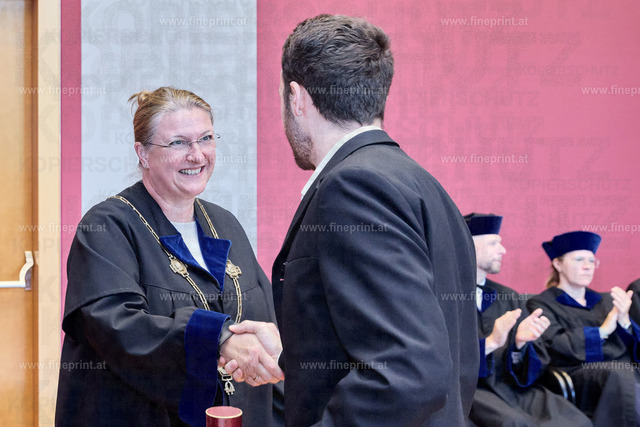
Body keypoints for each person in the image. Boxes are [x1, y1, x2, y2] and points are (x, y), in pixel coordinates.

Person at [265, 14, 478, 426]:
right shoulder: (424, 184)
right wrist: (288, 353)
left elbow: (408, 373)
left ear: (297, 97)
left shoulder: (352, 187)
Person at [55, 87, 284, 427]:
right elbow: (118, 328)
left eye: (206, 138)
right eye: (178, 143)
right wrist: (218, 339)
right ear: (143, 153)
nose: (197, 155)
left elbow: (264, 317)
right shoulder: (107, 227)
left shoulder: (224, 224)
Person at [465, 214, 591, 427]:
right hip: (473, 391)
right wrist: (491, 343)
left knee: (577, 421)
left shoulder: (509, 296)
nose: (502, 250)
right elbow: (442, 359)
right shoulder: (442, 297)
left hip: (512, 387)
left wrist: (519, 345)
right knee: (516, 423)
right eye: (494, 243)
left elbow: (533, 361)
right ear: (468, 246)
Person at [527, 231, 640, 426]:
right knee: (619, 374)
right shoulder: (541, 303)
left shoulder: (607, 300)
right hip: (578, 372)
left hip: (622, 370)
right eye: (579, 260)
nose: (587, 266)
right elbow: (555, 345)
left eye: (591, 260)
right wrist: (602, 331)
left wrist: (624, 322)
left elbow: (630, 348)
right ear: (558, 264)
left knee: (625, 372)